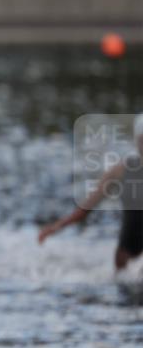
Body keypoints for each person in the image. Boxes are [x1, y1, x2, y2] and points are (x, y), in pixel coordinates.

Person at [39, 113, 143, 273]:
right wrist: (55, 227)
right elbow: (84, 210)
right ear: (137, 140)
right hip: (126, 258)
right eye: (142, 140)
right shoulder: (120, 171)